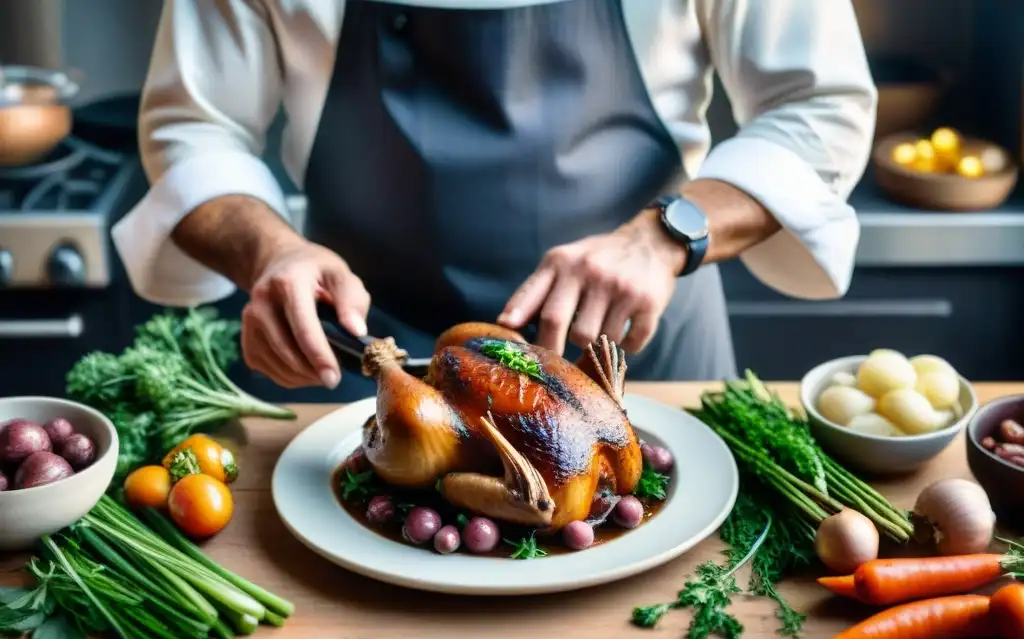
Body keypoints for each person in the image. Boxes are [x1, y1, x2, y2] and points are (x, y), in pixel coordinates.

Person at [113, 0, 876, 399]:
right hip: (362, 364)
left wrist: (663, 237)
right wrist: (270, 252)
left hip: (640, 359)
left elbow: (820, 107)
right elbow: (193, 127)